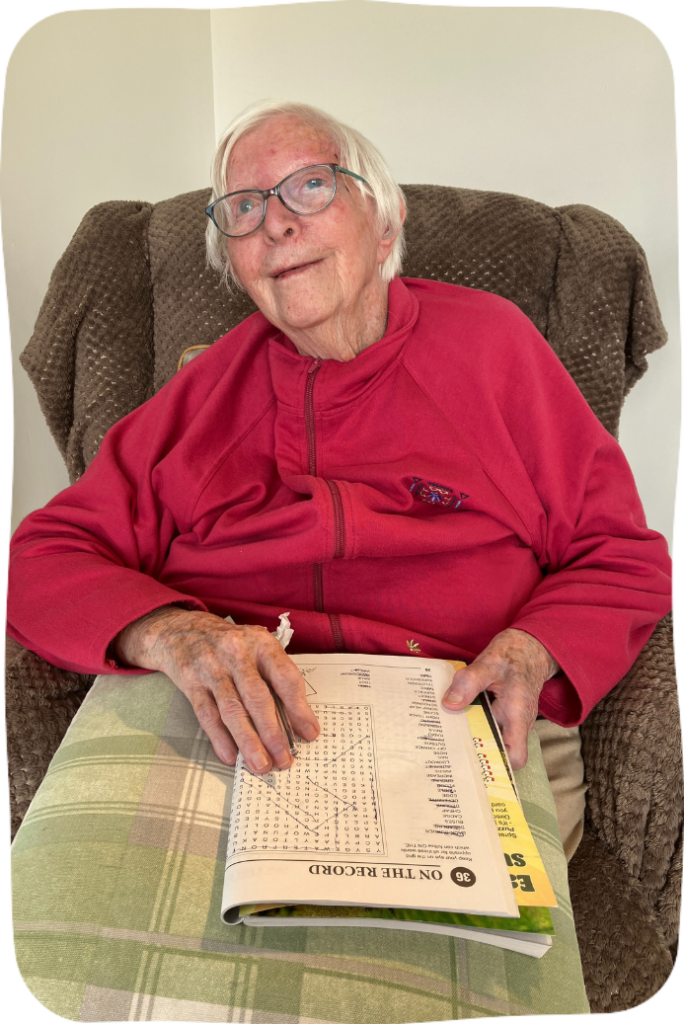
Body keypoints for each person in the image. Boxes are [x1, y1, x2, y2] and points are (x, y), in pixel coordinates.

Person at [7, 102, 671, 860]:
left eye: (311, 186)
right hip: (239, 724)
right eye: (245, 207)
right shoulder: (204, 394)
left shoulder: (494, 350)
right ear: (236, 262)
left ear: (384, 223)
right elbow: (44, 560)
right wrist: (176, 634)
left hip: (459, 714)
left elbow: (621, 553)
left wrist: (534, 647)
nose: (276, 225)